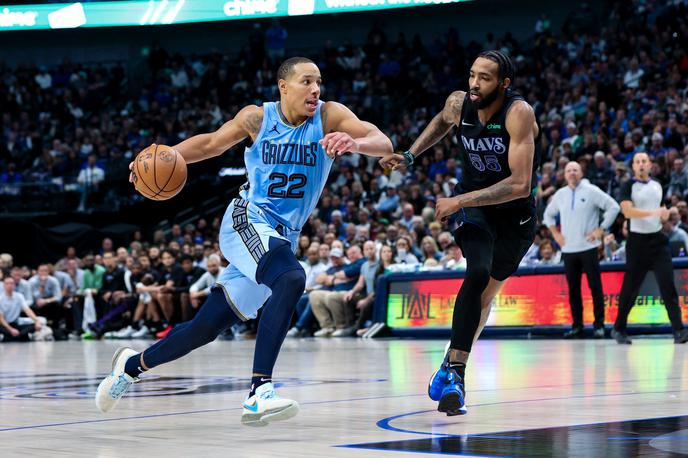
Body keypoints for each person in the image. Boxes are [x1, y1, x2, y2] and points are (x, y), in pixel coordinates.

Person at [95, 56, 393, 426]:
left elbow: (383, 142)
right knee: (291, 278)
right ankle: (259, 392)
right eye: (306, 81)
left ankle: (130, 366)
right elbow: (210, 145)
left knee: (205, 329)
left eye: (319, 82)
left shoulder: (330, 115)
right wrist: (164, 156)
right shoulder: (257, 117)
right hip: (248, 220)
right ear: (283, 86)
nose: (315, 89)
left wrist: (355, 142)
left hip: (283, 237)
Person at [381, 50, 539, 416]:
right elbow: (441, 121)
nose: (473, 84)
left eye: (484, 78)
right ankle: (457, 373)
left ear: (504, 84)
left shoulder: (518, 113)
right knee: (477, 271)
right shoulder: (459, 103)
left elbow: (520, 183)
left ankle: (450, 365)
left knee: (486, 295)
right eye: (471, 75)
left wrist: (456, 199)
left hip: (516, 216)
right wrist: (409, 155)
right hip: (475, 211)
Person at [612, 153, 688, 345]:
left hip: (658, 241)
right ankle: (619, 328)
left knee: (668, 286)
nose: (641, 164)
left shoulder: (658, 185)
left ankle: (678, 330)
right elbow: (627, 211)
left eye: (644, 161)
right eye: (637, 162)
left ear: (650, 164)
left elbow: (661, 214)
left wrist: (663, 216)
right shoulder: (628, 185)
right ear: (634, 166)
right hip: (637, 243)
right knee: (631, 288)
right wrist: (655, 212)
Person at [543, 161, 620, 339]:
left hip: (589, 247)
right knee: (573, 290)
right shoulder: (560, 194)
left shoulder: (591, 190)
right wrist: (555, 234)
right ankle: (577, 326)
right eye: (569, 170)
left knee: (595, 288)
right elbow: (548, 215)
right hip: (568, 249)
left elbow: (613, 207)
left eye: (575, 170)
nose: (572, 173)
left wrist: (601, 230)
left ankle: (599, 326)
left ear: (581, 172)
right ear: (564, 173)